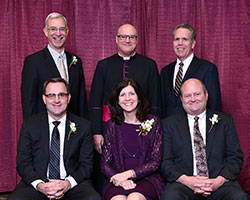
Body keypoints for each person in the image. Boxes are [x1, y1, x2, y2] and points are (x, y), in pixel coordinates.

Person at [89, 24, 161, 193]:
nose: (127, 40)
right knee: (108, 170)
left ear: (137, 40)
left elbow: (156, 101)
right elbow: (94, 101)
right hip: (110, 128)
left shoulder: (149, 65)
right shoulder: (103, 65)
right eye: (123, 36)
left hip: (142, 128)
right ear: (116, 39)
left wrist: (154, 131)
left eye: (132, 37)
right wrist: (97, 131)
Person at [7, 78, 101, 200]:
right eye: (51, 95)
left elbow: (86, 165)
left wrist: (67, 184)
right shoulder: (30, 125)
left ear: (69, 98)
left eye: (61, 95)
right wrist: (40, 185)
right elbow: (23, 162)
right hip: (39, 183)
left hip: (72, 184)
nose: (56, 100)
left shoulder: (83, 126)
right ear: (44, 99)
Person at [161, 78, 248, 200]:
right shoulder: (168, 125)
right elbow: (166, 162)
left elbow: (235, 158)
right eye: (188, 96)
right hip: (185, 184)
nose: (193, 99)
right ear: (181, 99)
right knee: (171, 196)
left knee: (239, 197)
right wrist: (187, 180)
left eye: (197, 94)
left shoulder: (225, 121)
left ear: (206, 95)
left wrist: (217, 182)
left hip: (219, 183)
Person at [101, 78, 164, 200]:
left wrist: (129, 174)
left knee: (134, 198)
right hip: (117, 179)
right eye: (122, 95)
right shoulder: (112, 125)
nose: (127, 98)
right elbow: (105, 164)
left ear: (139, 98)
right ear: (118, 101)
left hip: (146, 179)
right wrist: (119, 179)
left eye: (131, 94)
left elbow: (155, 162)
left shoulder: (153, 122)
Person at [21, 12, 87, 119]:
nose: (58, 33)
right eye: (53, 29)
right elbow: (29, 101)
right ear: (46, 32)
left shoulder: (76, 61)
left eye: (61, 29)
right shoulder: (33, 61)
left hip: (72, 128)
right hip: (44, 127)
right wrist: (32, 130)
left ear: (67, 32)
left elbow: (81, 100)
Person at [160, 24, 221, 118]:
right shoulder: (165, 71)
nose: (180, 43)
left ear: (193, 44)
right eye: (177, 39)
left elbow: (214, 104)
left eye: (185, 39)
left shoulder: (208, 68)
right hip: (169, 129)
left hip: (196, 129)